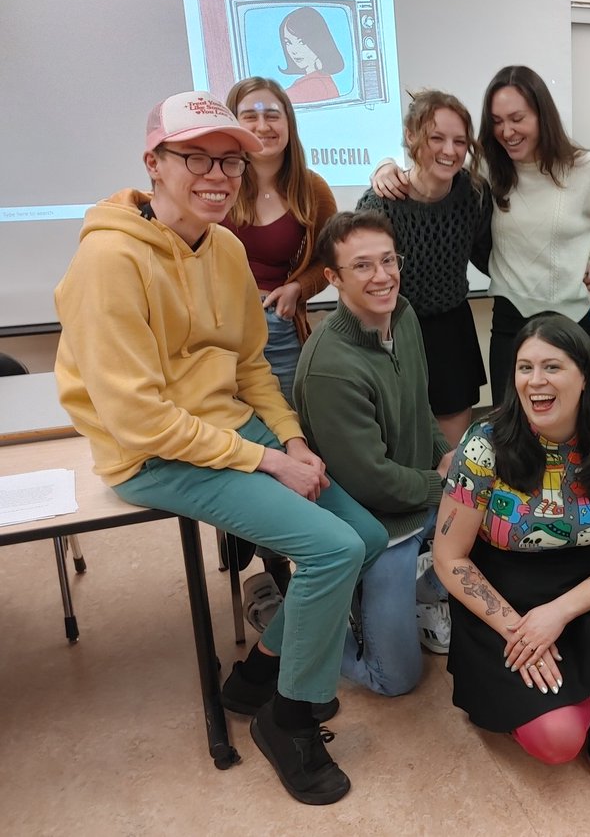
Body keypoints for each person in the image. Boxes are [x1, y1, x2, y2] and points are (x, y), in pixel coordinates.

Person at [54, 91, 387, 804]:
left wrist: (292, 437)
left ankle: (259, 673)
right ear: (154, 163)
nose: (219, 173)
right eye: (197, 157)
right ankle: (287, 720)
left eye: (231, 160)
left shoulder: (226, 246)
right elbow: (140, 421)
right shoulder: (109, 262)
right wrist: (270, 461)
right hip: (153, 455)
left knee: (360, 534)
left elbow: (249, 369)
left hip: (231, 428)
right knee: (331, 551)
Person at [432, 314, 590, 779]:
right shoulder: (484, 444)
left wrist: (557, 613)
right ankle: (561, 698)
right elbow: (449, 556)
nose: (535, 381)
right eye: (524, 367)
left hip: (585, 578)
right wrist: (520, 630)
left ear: (584, 376)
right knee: (557, 740)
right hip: (500, 587)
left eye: (552, 367)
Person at [371, 66, 590, 404]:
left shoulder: (584, 169)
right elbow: (433, 167)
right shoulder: (489, 167)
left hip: (570, 320)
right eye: (497, 121)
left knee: (575, 431)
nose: (507, 131)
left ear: (542, 115)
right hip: (510, 321)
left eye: (517, 118)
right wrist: (385, 165)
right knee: (509, 434)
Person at [294, 210, 456, 696]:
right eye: (362, 266)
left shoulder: (402, 315)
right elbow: (371, 482)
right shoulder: (330, 368)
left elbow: (421, 403)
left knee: (504, 521)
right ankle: (313, 617)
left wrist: (446, 457)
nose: (382, 276)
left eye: (389, 260)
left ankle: (424, 588)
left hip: (419, 501)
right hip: (376, 524)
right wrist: (444, 485)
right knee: (397, 681)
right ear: (333, 279)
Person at [356, 90, 492, 445]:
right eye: (437, 138)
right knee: (402, 443)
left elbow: (488, 252)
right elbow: (360, 276)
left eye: (459, 141)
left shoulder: (473, 193)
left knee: (453, 452)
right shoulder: (381, 203)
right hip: (396, 330)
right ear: (412, 136)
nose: (449, 150)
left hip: (451, 328)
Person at [223, 77, 336, 401]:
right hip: (219, 332)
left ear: (288, 122)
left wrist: (299, 288)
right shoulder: (216, 183)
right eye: (250, 116)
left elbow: (330, 258)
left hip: (278, 330)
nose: (263, 125)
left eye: (272, 115)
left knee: (288, 430)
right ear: (234, 123)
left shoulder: (313, 191)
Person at [278, 6, 344, 103]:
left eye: (302, 42)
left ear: (318, 41)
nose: (293, 51)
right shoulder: (325, 80)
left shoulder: (313, 85)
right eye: (288, 42)